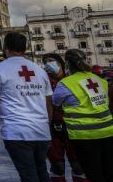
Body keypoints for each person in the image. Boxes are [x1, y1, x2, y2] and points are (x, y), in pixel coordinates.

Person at [0, 32, 53, 182]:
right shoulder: (39, 70)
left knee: (28, 175)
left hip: (17, 132)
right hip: (42, 132)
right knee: (42, 172)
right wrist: (48, 125)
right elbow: (48, 101)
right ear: (26, 47)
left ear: (5, 47)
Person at [52, 49, 113, 181]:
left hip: (84, 136)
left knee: (93, 174)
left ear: (67, 63)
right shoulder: (99, 80)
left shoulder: (66, 84)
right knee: (108, 172)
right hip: (108, 132)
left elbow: (55, 103)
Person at [41, 53, 86, 182]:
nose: (47, 64)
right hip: (51, 127)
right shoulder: (43, 81)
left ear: (60, 63)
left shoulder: (72, 80)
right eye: (45, 62)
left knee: (78, 165)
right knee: (57, 166)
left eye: (50, 61)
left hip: (72, 127)